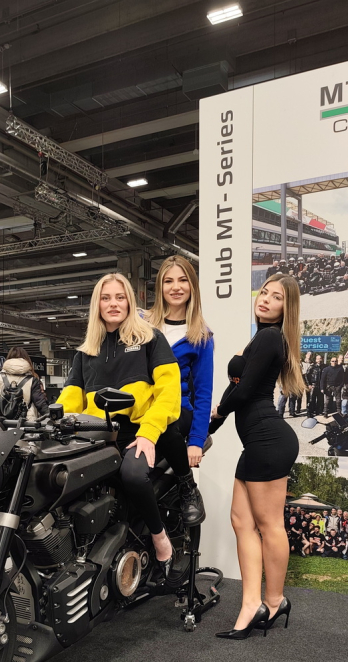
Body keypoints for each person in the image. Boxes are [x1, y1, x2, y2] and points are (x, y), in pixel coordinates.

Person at [58, 273, 181, 572]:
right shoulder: (86, 352)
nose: (113, 304)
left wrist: (148, 433)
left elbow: (169, 393)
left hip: (139, 430)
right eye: (106, 298)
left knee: (134, 475)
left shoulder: (150, 338)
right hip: (96, 436)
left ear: (129, 301)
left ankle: (160, 538)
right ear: (97, 305)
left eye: (120, 297)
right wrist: (50, 423)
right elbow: (69, 399)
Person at [210, 274, 301, 639]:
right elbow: (237, 391)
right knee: (241, 522)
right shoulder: (261, 337)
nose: (265, 299)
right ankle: (251, 604)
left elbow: (244, 392)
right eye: (264, 292)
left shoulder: (270, 337)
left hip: (268, 440)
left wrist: (216, 415)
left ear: (286, 308)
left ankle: (275, 601)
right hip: (257, 442)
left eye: (276, 297)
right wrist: (208, 428)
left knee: (269, 524)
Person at [148, 254, 211, 524]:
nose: (176, 287)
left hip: (177, 411)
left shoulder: (201, 336)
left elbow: (204, 393)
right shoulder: (143, 325)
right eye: (168, 281)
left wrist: (196, 441)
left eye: (183, 280)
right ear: (160, 287)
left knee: (166, 421)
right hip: (143, 408)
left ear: (192, 286)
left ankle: (188, 486)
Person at [0, 346, 49, 421]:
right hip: (25, 422)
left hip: (2, 421)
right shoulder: (32, 379)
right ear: (26, 359)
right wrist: (52, 416)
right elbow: (40, 403)